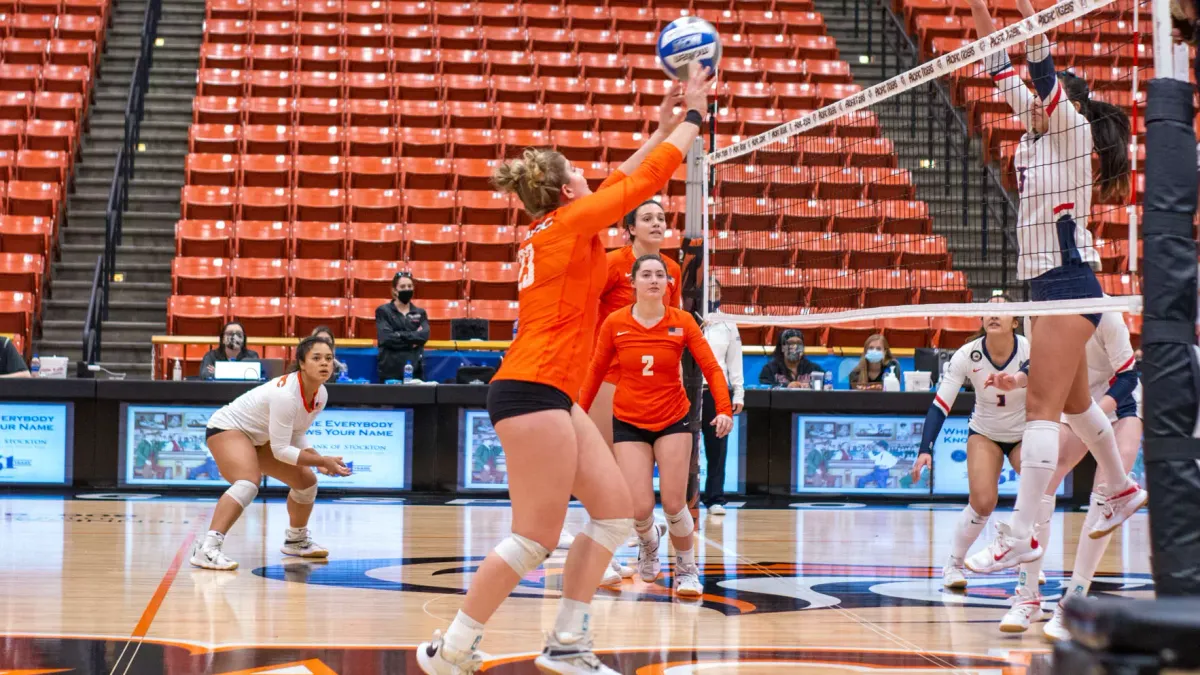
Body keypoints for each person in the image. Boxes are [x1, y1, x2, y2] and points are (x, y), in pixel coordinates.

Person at [416, 65, 712, 675]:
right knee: (534, 538)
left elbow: (621, 180)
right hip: (530, 392)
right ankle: (453, 649)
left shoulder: (565, 232)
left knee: (612, 516)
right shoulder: (569, 227)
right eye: (577, 169)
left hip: (549, 393)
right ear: (565, 190)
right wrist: (693, 119)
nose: (588, 174)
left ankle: (568, 645)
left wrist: (658, 128)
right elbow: (639, 185)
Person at [962, 0, 1145, 580]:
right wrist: (977, 7)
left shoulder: (1066, 127)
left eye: (1041, 98)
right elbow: (998, 65)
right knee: (1072, 403)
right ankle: (1117, 485)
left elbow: (1037, 65)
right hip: (1044, 284)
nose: (1030, 104)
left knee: (1040, 410)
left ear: (1058, 103)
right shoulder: (1034, 133)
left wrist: (1026, 11)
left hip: (1069, 279)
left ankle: (1020, 535)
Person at [579, 254, 733, 598]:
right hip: (629, 420)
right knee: (639, 507)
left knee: (675, 503)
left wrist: (724, 409)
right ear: (632, 283)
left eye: (659, 275)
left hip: (673, 419)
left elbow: (710, 367)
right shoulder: (615, 323)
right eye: (645, 274)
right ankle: (650, 543)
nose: (653, 280)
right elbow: (595, 372)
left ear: (668, 283)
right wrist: (578, 414)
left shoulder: (682, 322)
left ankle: (687, 568)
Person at [909, 296, 1038, 627]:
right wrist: (926, 448)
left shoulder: (1028, 348)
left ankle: (1029, 575)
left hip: (1025, 431)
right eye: (987, 310)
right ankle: (954, 562)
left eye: (1002, 310)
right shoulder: (967, 355)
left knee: (1039, 494)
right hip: (986, 432)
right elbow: (940, 404)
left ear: (1015, 321)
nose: (993, 314)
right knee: (983, 502)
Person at [1018, 310, 1142, 640]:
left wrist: (1092, 421)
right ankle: (1027, 595)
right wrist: (1016, 378)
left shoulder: (1107, 315)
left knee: (1104, 497)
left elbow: (1129, 378)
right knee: (1045, 475)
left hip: (1120, 405)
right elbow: (1041, 364)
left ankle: (1072, 601)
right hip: (1078, 404)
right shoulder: (1039, 313)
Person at [191, 336, 351, 571]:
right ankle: (208, 548)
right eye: (316, 358)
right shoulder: (286, 394)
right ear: (302, 363)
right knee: (247, 482)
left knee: (306, 481)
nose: (324, 363)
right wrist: (320, 459)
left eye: (328, 358)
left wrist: (318, 462)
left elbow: (295, 435)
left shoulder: (321, 394)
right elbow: (281, 450)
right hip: (227, 428)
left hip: (259, 437)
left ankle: (296, 540)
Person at [588, 197, 683, 449]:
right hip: (611, 373)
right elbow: (584, 304)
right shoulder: (612, 263)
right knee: (605, 455)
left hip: (653, 377)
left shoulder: (672, 268)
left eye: (661, 219)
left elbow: (672, 323)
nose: (657, 224)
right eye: (647, 219)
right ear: (631, 229)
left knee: (639, 458)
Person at [700, 278, 744, 514]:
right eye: (708, 289)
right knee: (683, 448)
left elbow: (734, 361)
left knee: (717, 446)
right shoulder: (684, 319)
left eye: (716, 290)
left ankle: (715, 498)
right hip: (687, 391)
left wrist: (738, 393)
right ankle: (685, 498)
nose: (712, 294)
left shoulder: (728, 323)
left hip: (716, 391)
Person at [375, 271, 429, 382]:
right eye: (403, 286)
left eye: (410, 286)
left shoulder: (420, 312)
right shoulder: (383, 311)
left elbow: (424, 336)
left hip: (415, 371)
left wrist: (398, 334)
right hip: (390, 370)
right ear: (395, 290)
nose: (407, 289)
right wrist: (412, 341)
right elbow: (386, 338)